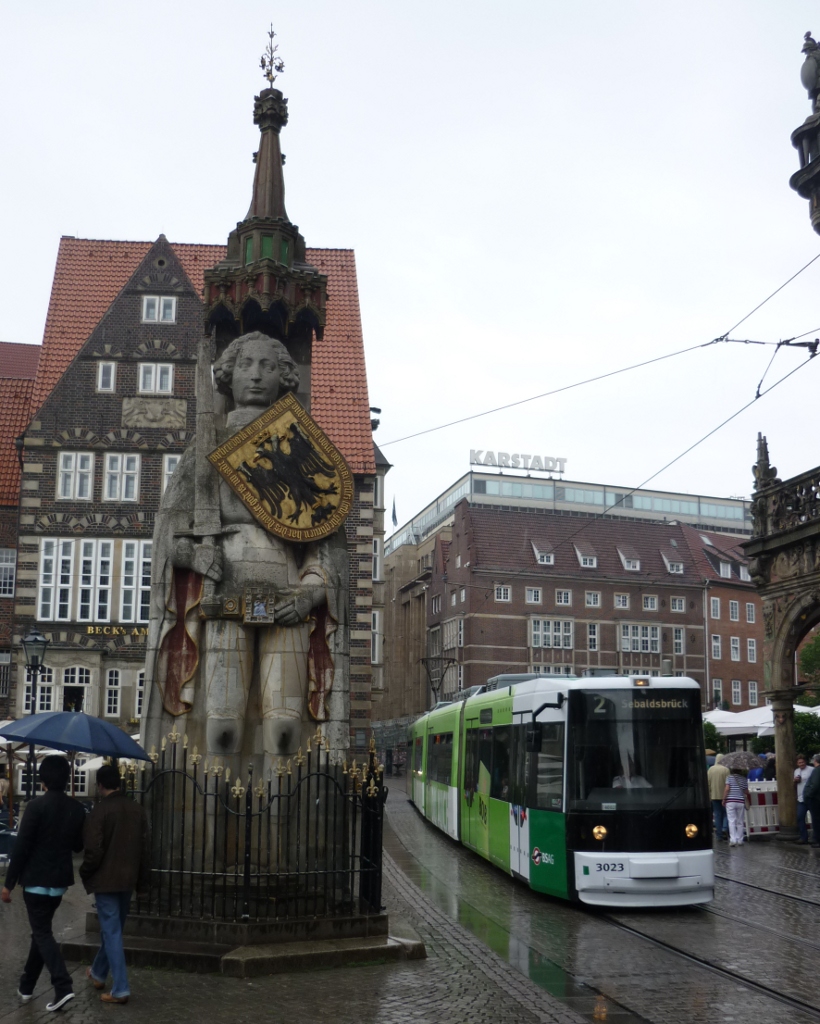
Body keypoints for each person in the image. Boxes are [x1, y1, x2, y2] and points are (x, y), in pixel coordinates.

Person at [143, 332, 345, 768]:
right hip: (223, 597)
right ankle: (209, 830)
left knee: (285, 730)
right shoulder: (207, 450)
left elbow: (325, 544)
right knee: (222, 728)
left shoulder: (299, 447)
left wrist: (311, 593)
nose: (256, 375)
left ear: (284, 376)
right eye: (247, 365)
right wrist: (196, 557)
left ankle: (280, 827)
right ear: (228, 375)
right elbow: (168, 536)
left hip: (287, 599)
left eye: (267, 366)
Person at [0, 755, 85, 1011]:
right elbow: (78, 846)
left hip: (36, 880)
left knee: (42, 933)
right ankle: (26, 986)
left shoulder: (37, 806)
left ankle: (63, 986)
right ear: (68, 776)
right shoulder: (77, 808)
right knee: (41, 932)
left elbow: (22, 847)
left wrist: (8, 884)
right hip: (59, 882)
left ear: (43, 779)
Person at [79, 764, 151, 1005]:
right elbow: (144, 850)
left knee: (111, 933)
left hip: (106, 881)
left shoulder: (99, 812)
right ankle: (98, 972)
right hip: (127, 879)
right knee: (113, 931)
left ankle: (121, 987)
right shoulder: (137, 810)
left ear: (100, 785)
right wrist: (142, 883)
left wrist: (86, 872)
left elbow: (93, 851)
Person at [723, 767, 750, 847]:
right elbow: (746, 791)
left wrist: (724, 799)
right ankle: (740, 840)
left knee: (731, 821)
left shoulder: (729, 778)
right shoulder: (743, 779)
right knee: (740, 821)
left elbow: (727, 789)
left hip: (730, 801)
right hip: (740, 801)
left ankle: (733, 840)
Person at [708, 753, 730, 841]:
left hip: (713, 795)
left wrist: (709, 794)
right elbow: (728, 783)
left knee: (717, 815)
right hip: (724, 796)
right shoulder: (726, 769)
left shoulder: (710, 769)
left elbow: (708, 783)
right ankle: (725, 828)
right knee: (726, 814)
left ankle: (719, 834)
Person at [794, 753, 814, 844]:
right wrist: (795, 780)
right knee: (800, 817)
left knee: (815, 818)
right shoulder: (796, 771)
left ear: (805, 762)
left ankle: (816, 837)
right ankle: (803, 837)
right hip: (801, 798)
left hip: (811, 797)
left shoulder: (811, 770)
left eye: (802, 762)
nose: (801, 764)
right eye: (799, 763)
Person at [803, 753, 820, 847]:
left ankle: (817, 839)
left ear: (815, 761)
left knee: (816, 820)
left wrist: (808, 794)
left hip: (816, 799)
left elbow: (815, 785)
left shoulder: (816, 771)